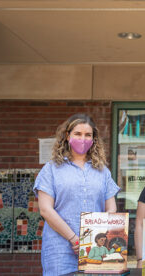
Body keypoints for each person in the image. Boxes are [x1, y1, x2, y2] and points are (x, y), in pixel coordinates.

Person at [33, 113, 120, 275]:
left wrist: (91, 243)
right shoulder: (51, 169)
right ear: (67, 136)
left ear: (94, 139)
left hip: (95, 251)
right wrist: (75, 239)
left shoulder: (103, 171)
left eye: (88, 135)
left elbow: (111, 210)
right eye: (78, 134)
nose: (83, 139)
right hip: (60, 250)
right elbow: (45, 210)